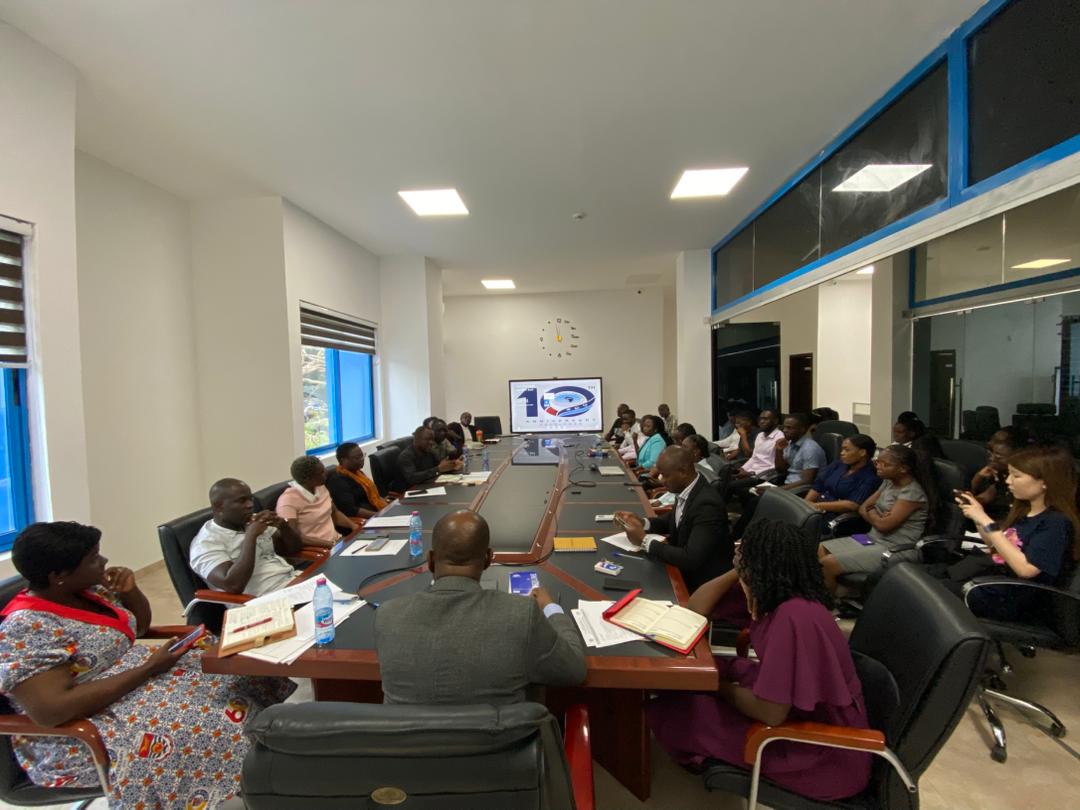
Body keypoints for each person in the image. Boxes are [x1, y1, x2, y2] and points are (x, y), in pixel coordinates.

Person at [0, 522, 295, 808]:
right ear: (58, 575)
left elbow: (137, 628)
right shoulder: (28, 627)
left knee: (240, 675)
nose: (103, 561)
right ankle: (232, 788)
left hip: (135, 684)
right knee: (210, 719)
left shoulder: (87, 592)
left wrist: (130, 591)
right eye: (93, 559)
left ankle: (259, 767)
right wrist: (148, 668)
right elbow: (52, 710)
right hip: (84, 730)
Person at [646, 519, 871, 801]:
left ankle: (702, 755)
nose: (737, 551)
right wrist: (737, 571)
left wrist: (721, 688)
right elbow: (695, 608)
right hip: (792, 708)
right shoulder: (770, 591)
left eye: (743, 553)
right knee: (689, 678)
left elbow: (771, 713)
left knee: (675, 712)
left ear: (760, 565)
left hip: (820, 751)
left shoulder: (795, 618)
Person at [375, 510, 587, 704]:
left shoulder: (387, 615)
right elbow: (574, 670)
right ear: (488, 559)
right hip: (502, 744)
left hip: (409, 745)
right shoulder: (521, 615)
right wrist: (551, 608)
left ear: (430, 560)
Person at [951, 446, 1079, 623]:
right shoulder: (1025, 511)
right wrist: (978, 518)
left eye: (1016, 476)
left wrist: (985, 520)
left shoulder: (1055, 523)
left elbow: (1026, 570)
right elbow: (996, 548)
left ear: (1045, 482)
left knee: (931, 593)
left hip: (1016, 597)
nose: (1008, 481)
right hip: (994, 581)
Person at [613, 446, 733, 592]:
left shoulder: (707, 505)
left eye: (665, 475)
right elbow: (674, 520)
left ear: (682, 472)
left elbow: (691, 559)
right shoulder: (688, 487)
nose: (661, 480)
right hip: (680, 569)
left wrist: (644, 541)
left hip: (700, 584)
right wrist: (642, 522)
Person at [818, 444, 934, 592]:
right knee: (821, 548)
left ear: (903, 468)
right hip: (870, 539)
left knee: (828, 563)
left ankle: (830, 606)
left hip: (895, 548)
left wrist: (873, 512)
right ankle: (843, 595)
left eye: (884, 464)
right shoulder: (888, 482)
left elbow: (883, 526)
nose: (878, 466)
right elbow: (863, 508)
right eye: (877, 462)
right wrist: (877, 515)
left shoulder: (912, 494)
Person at [190, 478, 303, 596]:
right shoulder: (205, 544)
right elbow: (233, 585)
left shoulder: (249, 521)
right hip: (262, 600)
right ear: (219, 507)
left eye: (250, 499)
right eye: (242, 501)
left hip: (292, 582)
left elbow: (294, 549)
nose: (250, 505)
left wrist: (283, 526)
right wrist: (250, 536)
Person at [276, 455, 359, 548]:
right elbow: (295, 537)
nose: (326, 473)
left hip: (338, 542)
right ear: (308, 479)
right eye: (321, 472)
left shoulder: (320, 486)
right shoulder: (288, 501)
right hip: (319, 549)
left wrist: (354, 526)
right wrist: (332, 545)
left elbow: (335, 513)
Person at [805, 434, 880, 519]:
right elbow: (818, 485)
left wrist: (814, 506)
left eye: (846, 450)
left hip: (836, 516)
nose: (842, 453)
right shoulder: (839, 463)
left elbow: (852, 505)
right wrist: (805, 505)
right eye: (842, 449)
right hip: (815, 509)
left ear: (862, 452)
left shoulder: (871, 476)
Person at [970, 428, 1025, 520]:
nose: (992, 459)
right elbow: (986, 497)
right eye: (991, 454)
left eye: (999, 457)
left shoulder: (1026, 483)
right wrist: (977, 478)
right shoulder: (1001, 475)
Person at [326, 442, 388, 519]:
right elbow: (351, 510)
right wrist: (380, 516)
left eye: (362, 455)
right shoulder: (337, 481)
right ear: (343, 460)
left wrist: (388, 508)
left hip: (376, 512)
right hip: (364, 520)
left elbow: (375, 496)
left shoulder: (357, 473)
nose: (362, 459)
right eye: (357, 458)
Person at [399, 426, 464, 485]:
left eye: (432, 439)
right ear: (416, 439)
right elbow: (412, 478)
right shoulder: (406, 456)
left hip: (427, 485)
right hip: (409, 492)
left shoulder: (429, 452)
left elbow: (440, 467)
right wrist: (438, 469)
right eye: (428, 439)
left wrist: (452, 466)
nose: (431, 442)